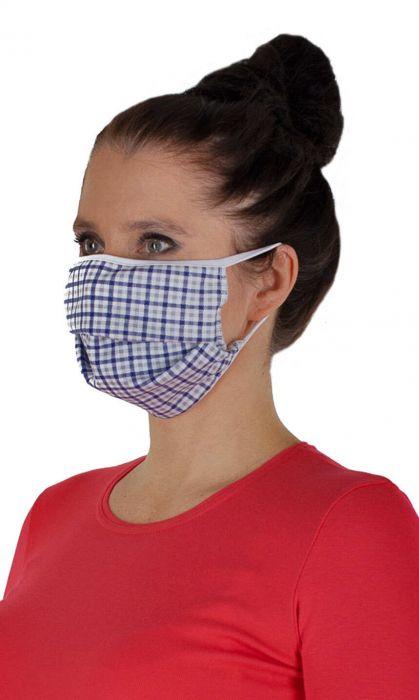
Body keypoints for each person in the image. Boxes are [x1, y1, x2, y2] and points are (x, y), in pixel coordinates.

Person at [1, 32, 418, 699]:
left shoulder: (349, 527)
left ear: (267, 281)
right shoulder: (52, 516)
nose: (105, 278)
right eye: (91, 243)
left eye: (155, 243)